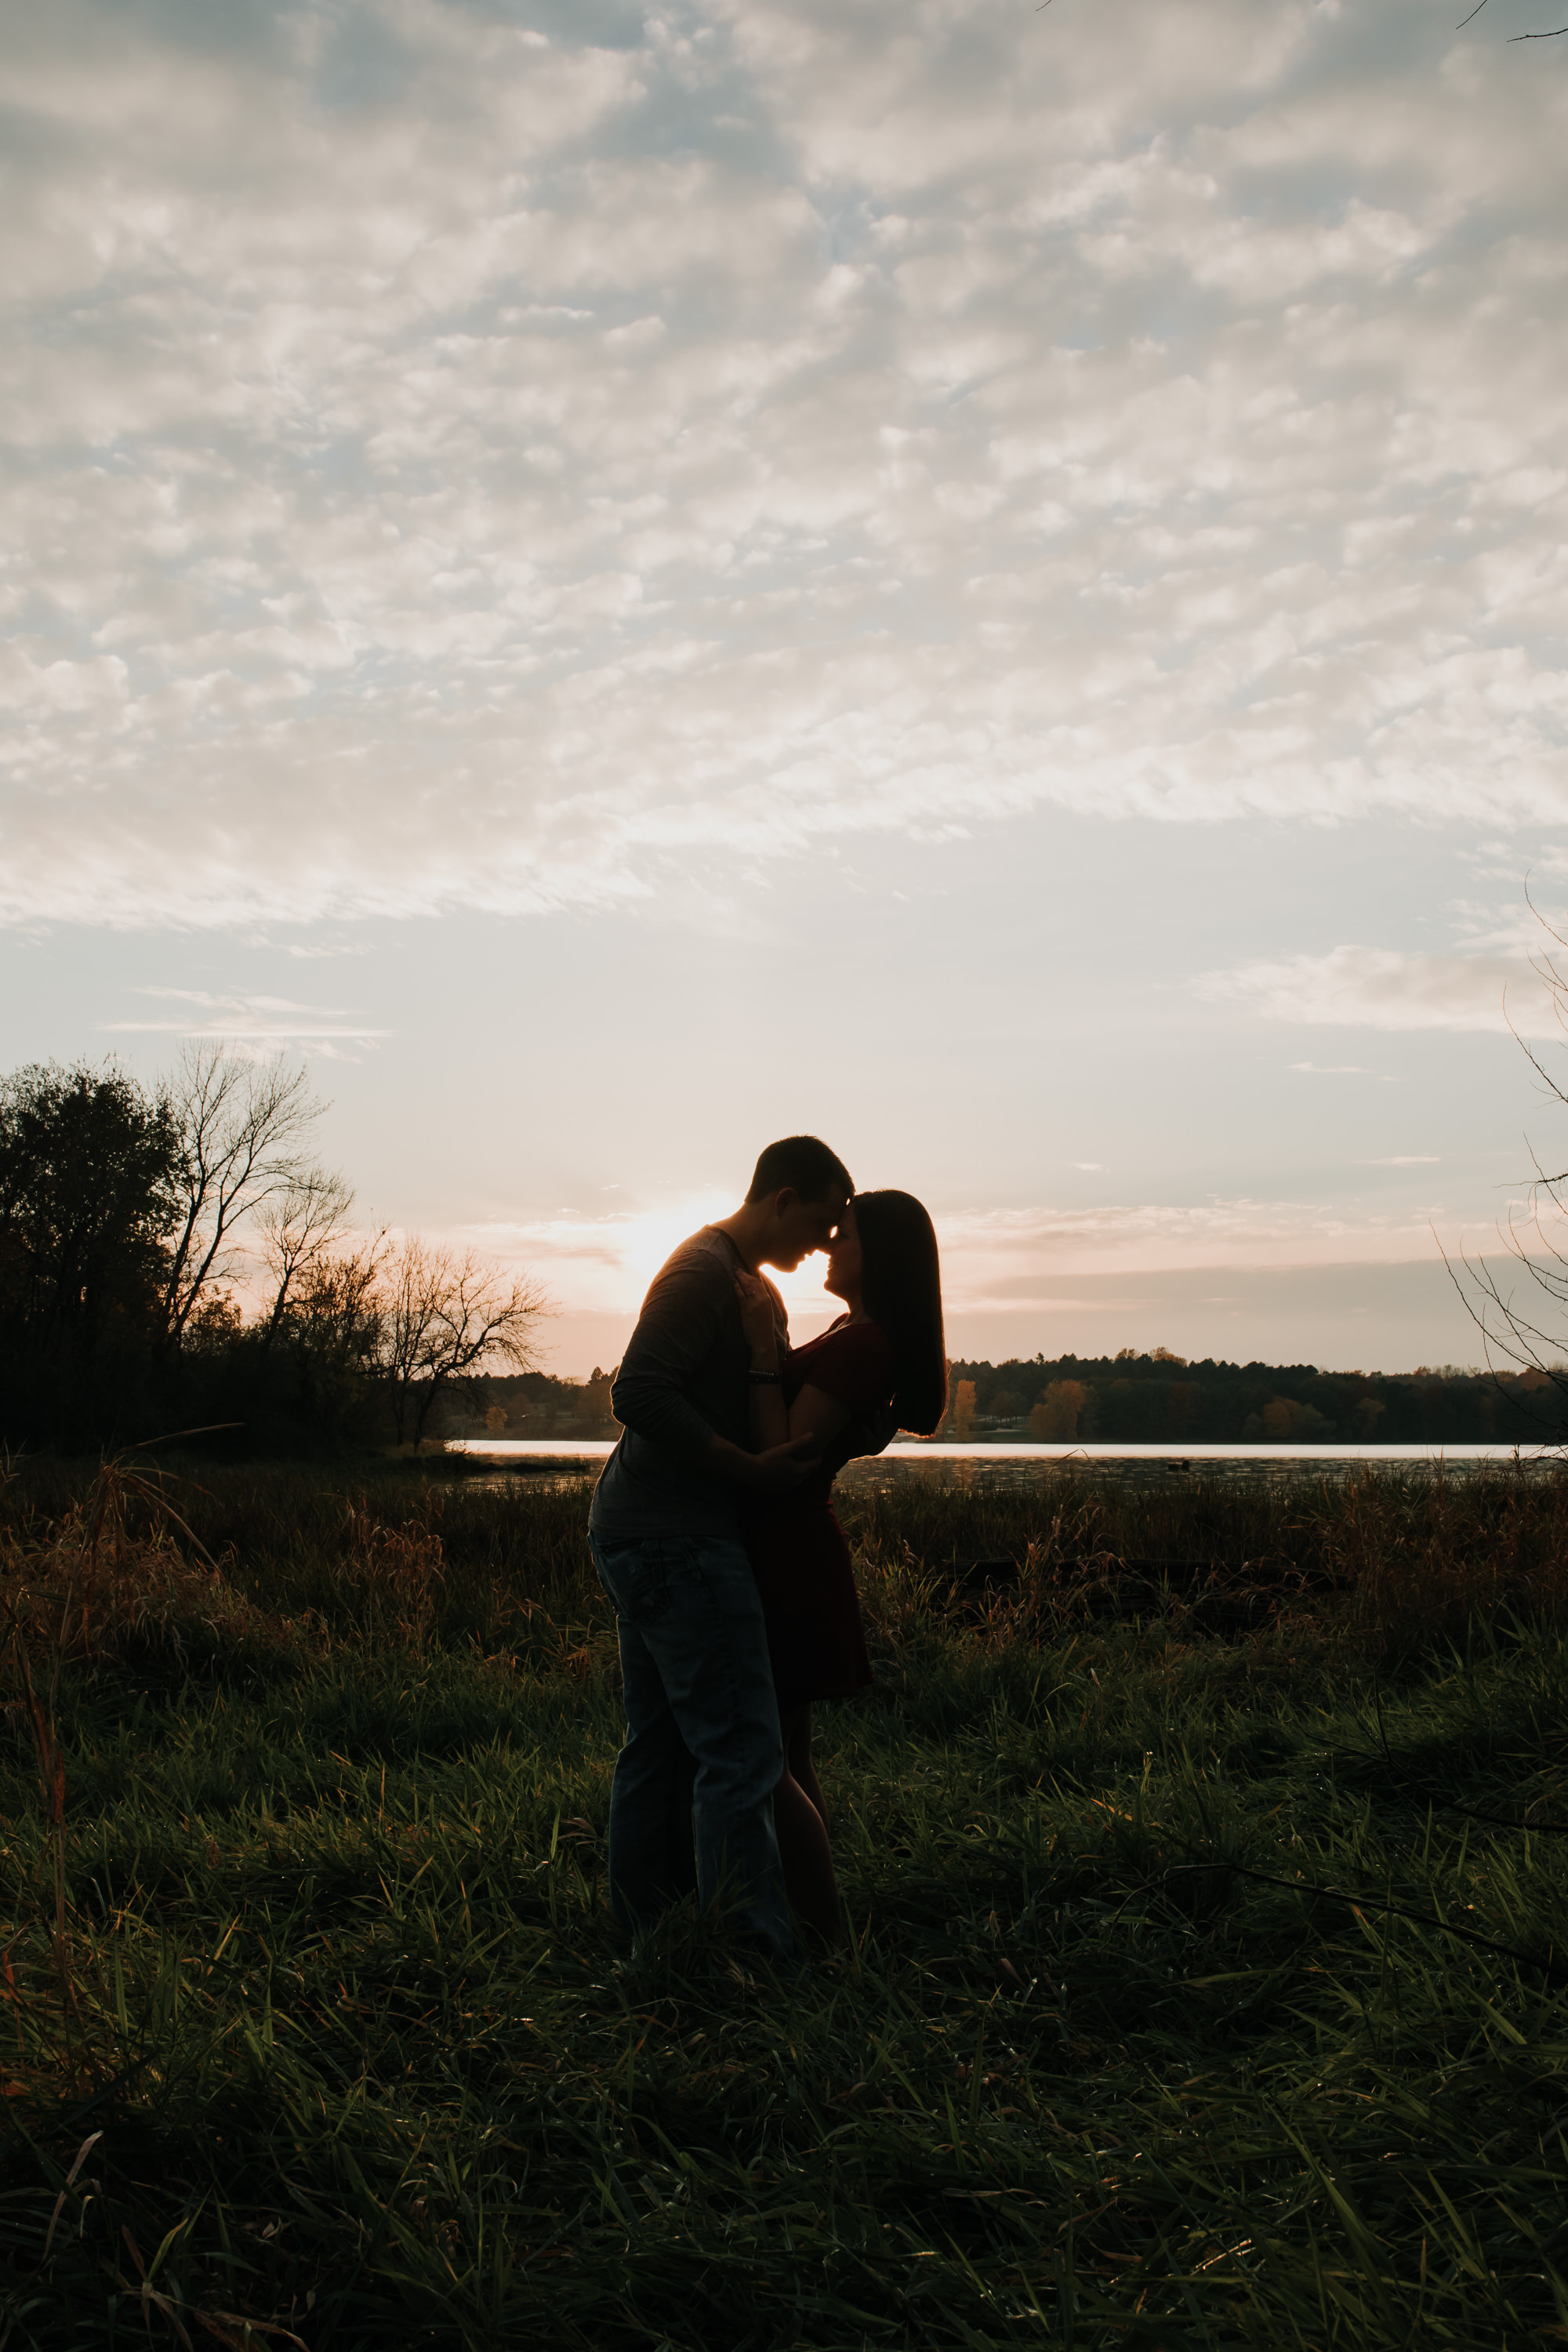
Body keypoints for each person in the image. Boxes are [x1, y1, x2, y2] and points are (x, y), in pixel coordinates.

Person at [587, 1135, 854, 1965]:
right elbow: (636, 1391)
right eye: (817, 1221)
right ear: (779, 1197)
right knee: (741, 1751)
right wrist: (741, 1466)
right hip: (674, 1539)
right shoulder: (704, 1271)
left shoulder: (740, 1282)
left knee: (662, 1747)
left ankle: (650, 1936)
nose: (820, 1245)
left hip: (650, 1531)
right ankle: (754, 1958)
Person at [735, 1189, 947, 1947]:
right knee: (786, 1755)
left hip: (786, 1550)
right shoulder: (850, 1331)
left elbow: (783, 1456)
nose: (828, 1246)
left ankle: (828, 1938)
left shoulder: (864, 1344)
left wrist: (762, 1356)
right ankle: (814, 1929)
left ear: (878, 1256)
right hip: (786, 1546)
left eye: (845, 1236)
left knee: (765, 1760)